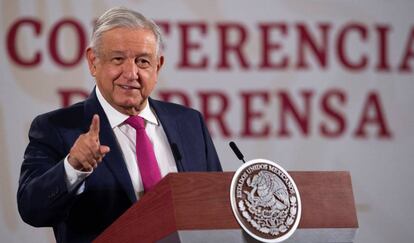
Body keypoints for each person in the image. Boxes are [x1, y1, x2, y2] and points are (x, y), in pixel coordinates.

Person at [17, 6, 222, 243]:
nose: (131, 73)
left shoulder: (189, 122)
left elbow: (214, 207)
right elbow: (32, 209)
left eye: (142, 61)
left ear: (158, 66)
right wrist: (73, 167)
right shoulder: (57, 128)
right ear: (93, 62)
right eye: (118, 59)